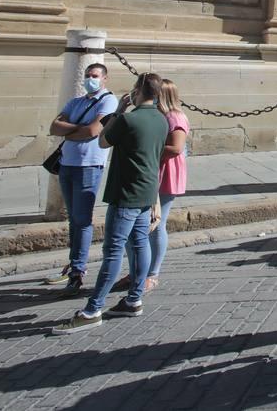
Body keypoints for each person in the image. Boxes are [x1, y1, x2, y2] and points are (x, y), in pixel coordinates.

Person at [55, 72, 170, 333]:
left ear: (137, 92)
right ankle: (133, 299)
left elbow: (103, 140)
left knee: (114, 250)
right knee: (140, 244)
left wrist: (119, 109)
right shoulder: (162, 120)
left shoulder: (128, 119)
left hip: (125, 191)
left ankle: (93, 309)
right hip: (146, 191)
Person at [44, 63, 119, 296]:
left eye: (95, 76)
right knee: (73, 219)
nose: (90, 79)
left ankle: (78, 270)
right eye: (88, 76)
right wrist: (79, 129)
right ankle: (73, 263)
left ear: (105, 78)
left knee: (82, 218)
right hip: (67, 164)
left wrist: (72, 129)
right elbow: (54, 127)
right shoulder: (76, 101)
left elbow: (93, 131)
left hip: (90, 165)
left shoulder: (108, 101)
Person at [145, 78, 188, 289]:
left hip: (166, 174)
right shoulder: (160, 116)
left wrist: (144, 150)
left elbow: (177, 148)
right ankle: (140, 270)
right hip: (154, 171)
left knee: (156, 223)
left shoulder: (175, 117)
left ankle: (152, 273)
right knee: (146, 224)